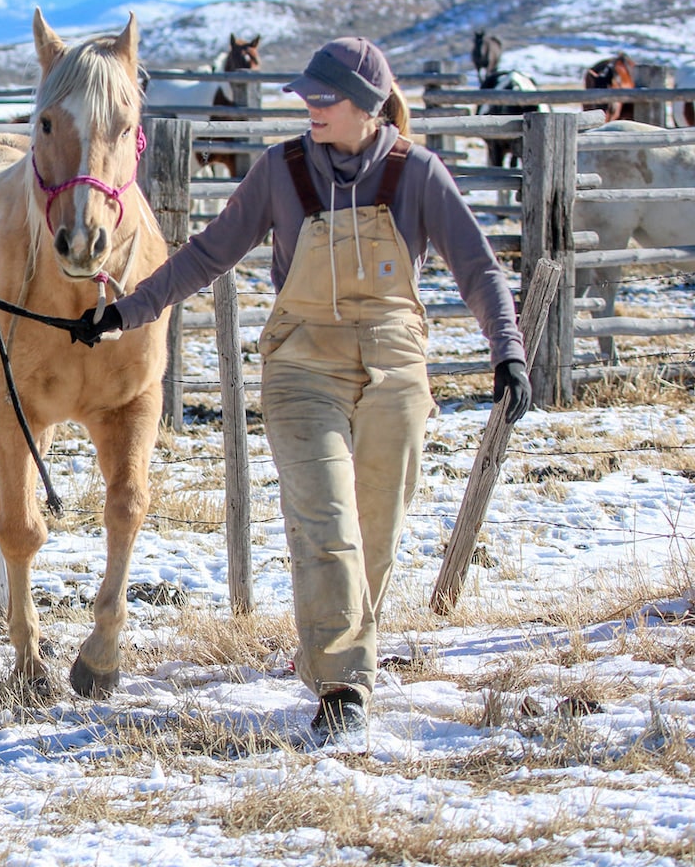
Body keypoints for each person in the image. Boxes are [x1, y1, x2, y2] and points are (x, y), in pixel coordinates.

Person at [70, 37, 531, 739]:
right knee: (326, 523)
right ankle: (344, 688)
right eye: (307, 97)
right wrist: (124, 311)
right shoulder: (280, 171)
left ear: (368, 107)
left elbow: (479, 269)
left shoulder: (419, 174)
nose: (309, 107)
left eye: (326, 97)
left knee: (375, 526)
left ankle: (334, 651)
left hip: (395, 362)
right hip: (302, 366)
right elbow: (207, 254)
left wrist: (509, 353)